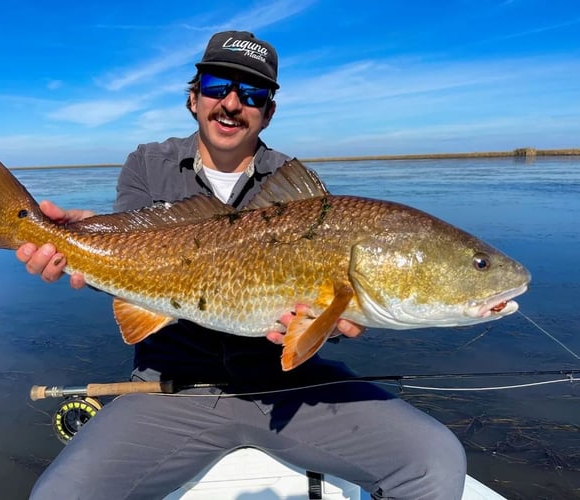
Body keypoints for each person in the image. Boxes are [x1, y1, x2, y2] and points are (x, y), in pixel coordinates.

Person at [23, 31, 466, 500]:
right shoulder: (148, 164)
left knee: (434, 460)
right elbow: (133, 253)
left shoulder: (301, 190)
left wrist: (334, 325)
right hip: (171, 389)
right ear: (193, 99)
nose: (232, 103)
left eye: (252, 93)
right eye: (218, 86)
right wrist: (76, 243)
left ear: (268, 111)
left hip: (288, 387)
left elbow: (321, 316)